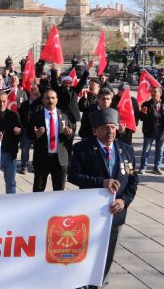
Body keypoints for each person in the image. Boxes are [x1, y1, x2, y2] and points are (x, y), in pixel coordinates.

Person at [67, 108, 139, 283]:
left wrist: (124, 200)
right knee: (88, 250)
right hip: (91, 213)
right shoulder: (82, 149)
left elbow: (132, 180)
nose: (110, 132)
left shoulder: (126, 150)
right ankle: (83, 281)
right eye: (105, 128)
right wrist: (101, 182)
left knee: (109, 252)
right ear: (94, 130)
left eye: (113, 127)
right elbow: (73, 176)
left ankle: (100, 282)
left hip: (116, 214)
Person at [28, 90, 75, 192]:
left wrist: (69, 134)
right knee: (38, 190)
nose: (51, 100)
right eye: (48, 98)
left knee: (59, 190)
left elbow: (71, 134)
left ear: (57, 100)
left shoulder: (65, 115)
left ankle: (58, 208)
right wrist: (35, 135)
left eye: (53, 98)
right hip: (42, 158)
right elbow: (28, 135)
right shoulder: (36, 116)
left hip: (60, 158)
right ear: (43, 100)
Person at [138, 87, 164, 175]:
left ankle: (157, 167)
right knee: (146, 150)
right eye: (152, 92)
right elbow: (141, 118)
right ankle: (142, 167)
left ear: (160, 94)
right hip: (149, 130)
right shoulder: (146, 104)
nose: (152, 93)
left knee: (160, 151)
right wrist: (142, 113)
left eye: (155, 92)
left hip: (161, 131)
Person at [18, 84, 43, 174]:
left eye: (36, 90)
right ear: (30, 92)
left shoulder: (41, 103)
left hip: (37, 130)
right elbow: (20, 116)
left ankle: (35, 166)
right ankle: (24, 166)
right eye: (32, 90)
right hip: (26, 129)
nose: (34, 91)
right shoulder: (24, 103)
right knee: (24, 149)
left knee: (37, 149)